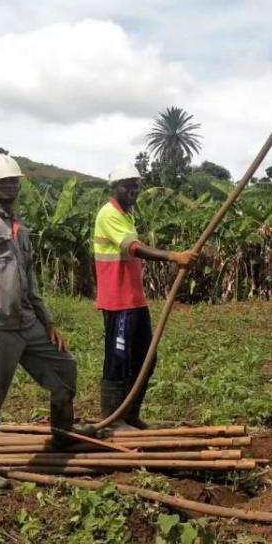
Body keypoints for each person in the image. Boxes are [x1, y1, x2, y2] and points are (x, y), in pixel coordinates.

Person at [0, 153, 91, 489]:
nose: (10, 185)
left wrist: (48, 321)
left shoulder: (21, 230)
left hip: (27, 322)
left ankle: (62, 436)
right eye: (3, 181)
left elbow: (29, 283)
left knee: (64, 369)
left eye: (14, 180)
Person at [93, 162, 198, 431]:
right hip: (118, 301)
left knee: (146, 359)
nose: (133, 190)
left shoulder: (127, 216)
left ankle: (129, 415)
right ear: (114, 187)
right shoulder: (109, 214)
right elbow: (134, 248)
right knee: (118, 360)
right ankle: (113, 420)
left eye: (136, 185)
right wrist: (173, 256)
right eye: (127, 185)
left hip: (135, 300)